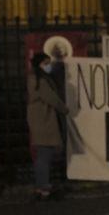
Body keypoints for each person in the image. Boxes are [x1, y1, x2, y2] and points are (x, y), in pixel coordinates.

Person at [27, 52, 70, 201]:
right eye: (46, 63)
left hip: (41, 119)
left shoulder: (38, 79)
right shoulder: (40, 81)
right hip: (43, 120)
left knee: (43, 155)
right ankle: (44, 190)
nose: (48, 66)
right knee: (44, 155)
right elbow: (52, 99)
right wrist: (65, 109)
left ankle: (42, 187)